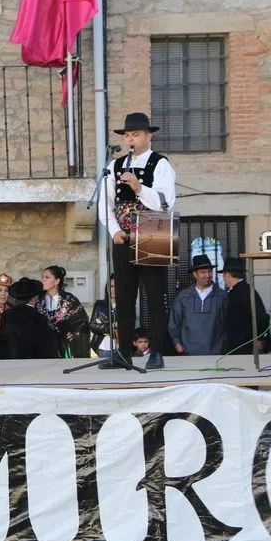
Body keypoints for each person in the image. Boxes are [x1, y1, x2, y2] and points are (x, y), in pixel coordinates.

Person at [99, 112, 176, 369]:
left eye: (136, 134)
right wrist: (114, 231)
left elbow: (166, 203)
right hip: (123, 237)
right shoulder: (114, 166)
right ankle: (123, 352)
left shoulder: (161, 164)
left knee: (155, 296)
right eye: (128, 135)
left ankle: (157, 353)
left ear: (148, 136)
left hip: (153, 232)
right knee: (124, 297)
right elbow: (105, 204)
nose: (131, 139)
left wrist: (139, 188)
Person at [169, 254, 227, 356]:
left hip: (216, 354)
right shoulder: (183, 297)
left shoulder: (222, 296)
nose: (207, 275)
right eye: (203, 272)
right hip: (188, 354)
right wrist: (179, 347)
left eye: (209, 271)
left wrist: (223, 348)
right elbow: (174, 323)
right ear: (195, 274)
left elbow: (228, 324)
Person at [0, 277, 59, 359]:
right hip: (33, 363)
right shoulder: (40, 318)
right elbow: (49, 347)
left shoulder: (7, 315)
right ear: (35, 298)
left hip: (11, 363)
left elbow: (1, 342)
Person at [220, 257, 271, 355]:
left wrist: (261, 339)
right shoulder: (238, 291)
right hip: (238, 346)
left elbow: (261, 317)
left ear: (227, 274)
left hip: (245, 346)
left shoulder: (244, 291)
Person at [37, 266, 90, 358]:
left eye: (47, 277)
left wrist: (74, 333)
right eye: (42, 277)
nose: (43, 280)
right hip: (45, 347)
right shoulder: (39, 300)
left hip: (66, 347)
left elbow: (82, 321)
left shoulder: (69, 300)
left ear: (57, 281)